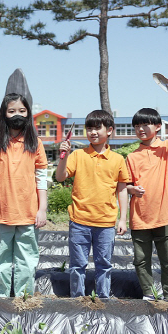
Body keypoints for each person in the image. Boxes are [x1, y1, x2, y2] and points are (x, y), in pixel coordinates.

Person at [0, 93, 48, 297]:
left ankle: (23, 299)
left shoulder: (35, 143)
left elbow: (41, 178)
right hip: (0, 213)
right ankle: (0, 301)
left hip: (28, 214)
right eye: (11, 111)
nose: (17, 114)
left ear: (28, 113)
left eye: (21, 110)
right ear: (4, 114)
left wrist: (42, 209)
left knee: (27, 260)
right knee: (0, 262)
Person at [125, 89, 168, 301]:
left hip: (165, 214)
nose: (141, 129)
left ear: (158, 126)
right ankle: (148, 294)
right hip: (140, 216)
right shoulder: (131, 157)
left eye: (145, 124)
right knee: (140, 260)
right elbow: (124, 185)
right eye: (137, 126)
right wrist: (131, 189)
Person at [56, 110, 130, 298]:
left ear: (110, 130)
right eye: (89, 128)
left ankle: (103, 299)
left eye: (98, 128)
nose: (93, 132)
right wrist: (63, 156)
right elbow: (60, 177)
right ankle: (77, 299)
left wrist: (123, 219)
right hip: (79, 220)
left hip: (105, 223)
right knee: (77, 265)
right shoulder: (78, 155)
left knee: (104, 264)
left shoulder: (118, 159)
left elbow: (122, 190)